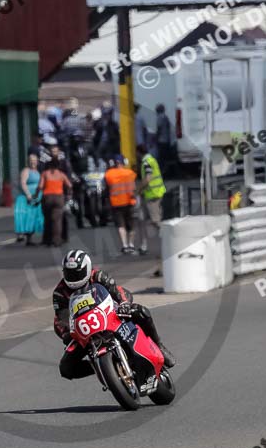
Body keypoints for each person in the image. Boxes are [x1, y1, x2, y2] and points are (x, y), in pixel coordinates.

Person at [53, 249, 175, 380]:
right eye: (69, 273)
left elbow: (117, 290)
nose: (73, 276)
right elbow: (61, 319)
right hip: (85, 330)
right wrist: (66, 333)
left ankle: (158, 345)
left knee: (141, 312)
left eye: (77, 273)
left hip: (109, 314)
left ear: (87, 269)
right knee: (66, 368)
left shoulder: (97, 276)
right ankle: (99, 366)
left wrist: (124, 304)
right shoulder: (60, 293)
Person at [136, 143, 166, 268]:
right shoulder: (151, 159)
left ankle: (167, 241)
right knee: (153, 220)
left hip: (153, 195)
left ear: (139, 152)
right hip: (157, 192)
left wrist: (138, 189)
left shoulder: (146, 162)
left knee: (155, 221)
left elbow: (148, 178)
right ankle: (161, 243)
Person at [104, 154, 137, 254]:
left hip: (116, 203)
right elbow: (134, 187)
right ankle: (131, 245)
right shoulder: (130, 173)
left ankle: (124, 245)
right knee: (131, 225)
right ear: (124, 162)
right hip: (129, 202)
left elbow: (107, 187)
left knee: (120, 225)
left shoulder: (109, 174)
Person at [38, 158, 72, 247]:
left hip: (47, 198)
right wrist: (68, 194)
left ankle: (47, 240)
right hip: (59, 198)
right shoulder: (61, 175)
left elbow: (40, 186)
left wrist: (36, 194)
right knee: (57, 220)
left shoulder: (45, 174)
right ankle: (56, 240)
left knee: (47, 219)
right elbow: (69, 185)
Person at [14, 154, 44, 245]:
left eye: (34, 160)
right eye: (31, 160)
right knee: (27, 217)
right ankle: (23, 236)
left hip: (37, 197)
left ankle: (29, 240)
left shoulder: (37, 171)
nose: (33, 162)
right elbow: (23, 183)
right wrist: (28, 195)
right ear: (28, 161)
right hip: (28, 197)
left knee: (34, 218)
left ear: (37, 161)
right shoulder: (26, 171)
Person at [155, 104, 172, 174]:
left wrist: (156, 137)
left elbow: (159, 128)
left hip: (161, 140)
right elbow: (168, 128)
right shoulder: (166, 117)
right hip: (167, 140)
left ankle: (162, 172)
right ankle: (167, 172)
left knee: (161, 158)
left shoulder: (159, 117)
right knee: (166, 158)